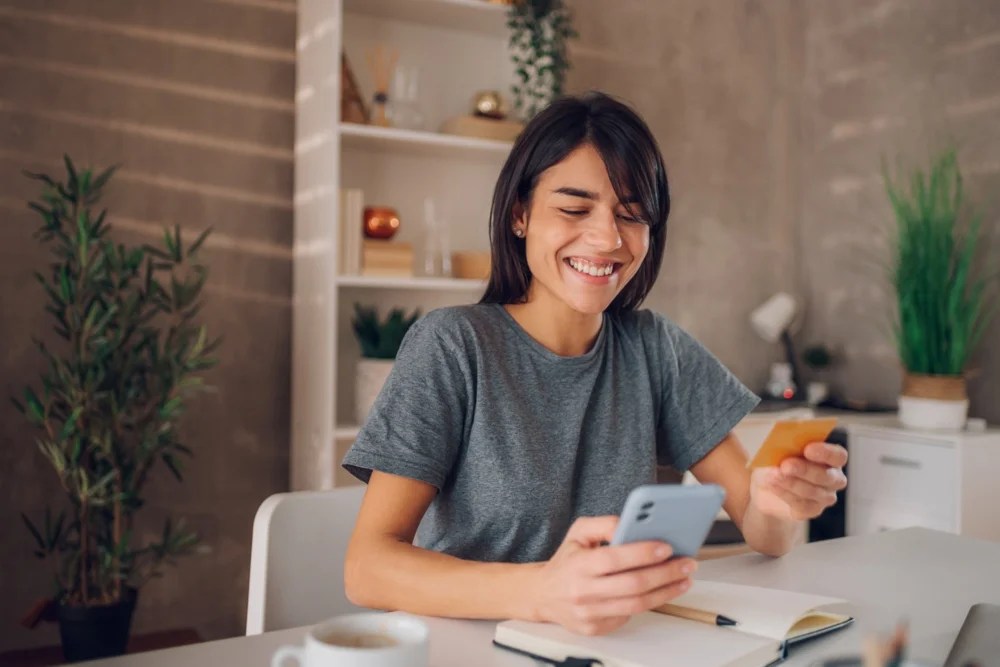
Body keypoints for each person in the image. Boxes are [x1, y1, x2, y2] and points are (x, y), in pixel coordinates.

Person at [341, 91, 848, 636]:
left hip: (612, 646)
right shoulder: (452, 346)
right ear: (519, 214)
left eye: (631, 215)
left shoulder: (656, 349)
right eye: (574, 208)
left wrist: (777, 505)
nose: (608, 238)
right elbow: (367, 568)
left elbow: (764, 534)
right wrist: (544, 593)